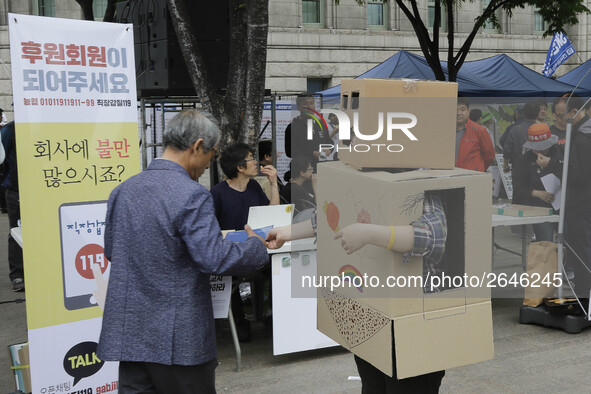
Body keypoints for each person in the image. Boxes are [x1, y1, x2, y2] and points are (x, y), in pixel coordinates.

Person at [97, 109, 269, 393]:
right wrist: (255, 246)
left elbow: (113, 251)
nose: (206, 166)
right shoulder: (191, 194)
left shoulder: (123, 191)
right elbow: (214, 258)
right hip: (179, 340)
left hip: (131, 334)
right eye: (210, 156)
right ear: (197, 146)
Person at [266, 191, 449, 392]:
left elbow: (435, 235)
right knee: (372, 384)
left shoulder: (418, 180)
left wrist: (369, 234)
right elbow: (326, 218)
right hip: (370, 314)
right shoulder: (362, 174)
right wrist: (286, 232)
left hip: (413, 321)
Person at [210, 142, 279, 341]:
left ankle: (272, 315)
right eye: (250, 158)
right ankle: (240, 325)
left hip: (257, 252)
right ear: (239, 167)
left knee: (278, 267)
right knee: (229, 276)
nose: (255, 162)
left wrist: (274, 184)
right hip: (231, 255)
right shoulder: (217, 193)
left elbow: (271, 216)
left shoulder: (254, 187)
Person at [512, 123, 562, 242]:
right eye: (536, 148)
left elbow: (574, 174)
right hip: (540, 208)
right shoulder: (523, 160)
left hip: (564, 206)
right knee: (545, 242)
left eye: (544, 147)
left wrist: (551, 164)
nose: (540, 151)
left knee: (567, 242)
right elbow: (518, 187)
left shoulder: (560, 153)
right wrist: (537, 193)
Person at [563, 96, 591, 298]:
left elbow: (578, 175)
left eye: (562, 114)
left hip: (581, 204)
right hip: (584, 202)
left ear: (574, 112)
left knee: (581, 249)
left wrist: (556, 166)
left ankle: (584, 291)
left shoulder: (581, 137)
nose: (560, 118)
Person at [1, 121, 23, 292]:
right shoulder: (9, 129)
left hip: (41, 189)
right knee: (16, 232)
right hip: (16, 190)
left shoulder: (41, 125)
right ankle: (17, 275)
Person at [284, 93, 332, 170]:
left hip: (321, 167)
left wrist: (329, 149)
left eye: (311, 103)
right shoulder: (292, 127)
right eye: (306, 104)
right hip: (302, 171)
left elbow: (329, 142)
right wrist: (311, 153)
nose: (310, 107)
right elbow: (289, 151)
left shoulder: (321, 124)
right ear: (298, 107)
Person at [456, 97, 495, 171]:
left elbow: (489, 155)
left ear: (468, 111)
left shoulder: (480, 131)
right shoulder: (446, 131)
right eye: (455, 109)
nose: (458, 113)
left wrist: (478, 168)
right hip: (452, 177)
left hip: (473, 176)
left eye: (462, 109)